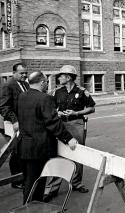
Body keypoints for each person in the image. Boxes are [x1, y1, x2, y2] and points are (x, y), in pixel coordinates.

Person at [17, 71, 77, 203]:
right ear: (42, 82)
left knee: (28, 181)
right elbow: (52, 123)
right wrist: (69, 138)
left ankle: (27, 206)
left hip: (23, 147)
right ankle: (32, 208)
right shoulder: (44, 98)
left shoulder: (22, 96)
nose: (47, 85)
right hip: (38, 149)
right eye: (46, 82)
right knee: (37, 183)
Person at [44, 65, 95, 200]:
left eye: (61, 76)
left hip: (76, 123)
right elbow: (50, 108)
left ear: (68, 77)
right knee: (58, 154)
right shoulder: (56, 92)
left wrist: (76, 112)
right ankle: (52, 189)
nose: (59, 78)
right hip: (60, 125)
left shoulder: (82, 91)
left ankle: (76, 183)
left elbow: (91, 108)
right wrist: (57, 112)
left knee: (78, 154)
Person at [0, 63, 29, 189]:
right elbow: (4, 107)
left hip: (24, 122)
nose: (24, 75)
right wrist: (14, 120)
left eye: (25, 73)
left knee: (23, 150)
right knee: (16, 151)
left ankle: (22, 177)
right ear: (14, 73)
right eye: (21, 73)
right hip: (13, 123)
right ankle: (16, 181)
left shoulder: (25, 84)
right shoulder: (8, 85)